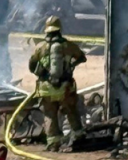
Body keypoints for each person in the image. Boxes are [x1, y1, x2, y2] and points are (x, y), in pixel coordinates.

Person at [28, 16, 87, 152]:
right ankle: (79, 138)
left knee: (50, 115)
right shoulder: (69, 46)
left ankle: (54, 144)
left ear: (46, 31)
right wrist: (71, 65)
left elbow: (31, 66)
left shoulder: (39, 48)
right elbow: (82, 57)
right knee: (71, 111)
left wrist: (43, 72)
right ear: (60, 30)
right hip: (65, 88)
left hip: (46, 90)